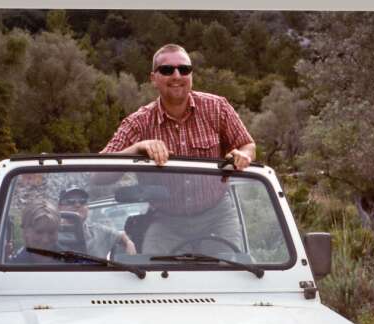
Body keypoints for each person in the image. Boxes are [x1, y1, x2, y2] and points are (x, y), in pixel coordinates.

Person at [99, 44, 256, 254]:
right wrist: (136, 149)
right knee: (150, 273)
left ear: (191, 75)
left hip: (217, 217)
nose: (176, 76)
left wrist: (243, 155)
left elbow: (247, 144)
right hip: (166, 222)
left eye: (184, 69)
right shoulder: (138, 123)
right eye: (167, 70)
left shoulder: (217, 108)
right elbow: (97, 174)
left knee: (233, 271)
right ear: (153, 78)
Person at [58, 185, 136, 257]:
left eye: (82, 201)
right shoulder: (53, 233)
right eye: (70, 201)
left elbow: (120, 235)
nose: (77, 205)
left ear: (87, 207)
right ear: (59, 207)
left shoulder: (99, 231)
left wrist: (129, 242)